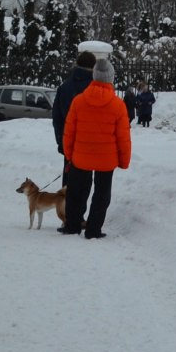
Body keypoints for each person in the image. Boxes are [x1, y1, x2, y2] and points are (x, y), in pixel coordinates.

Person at [61, 56, 131, 239]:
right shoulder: (118, 105)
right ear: (110, 78)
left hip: (80, 157)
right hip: (106, 159)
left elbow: (69, 132)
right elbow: (123, 137)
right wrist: (124, 160)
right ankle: (93, 229)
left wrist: (69, 155)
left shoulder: (78, 101)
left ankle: (72, 225)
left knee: (76, 192)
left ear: (94, 76)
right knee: (102, 195)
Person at [51, 51, 97, 189]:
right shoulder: (94, 88)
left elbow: (57, 117)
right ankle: (78, 209)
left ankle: (67, 208)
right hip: (88, 143)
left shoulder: (64, 87)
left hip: (69, 141)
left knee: (69, 184)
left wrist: (61, 141)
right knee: (84, 184)